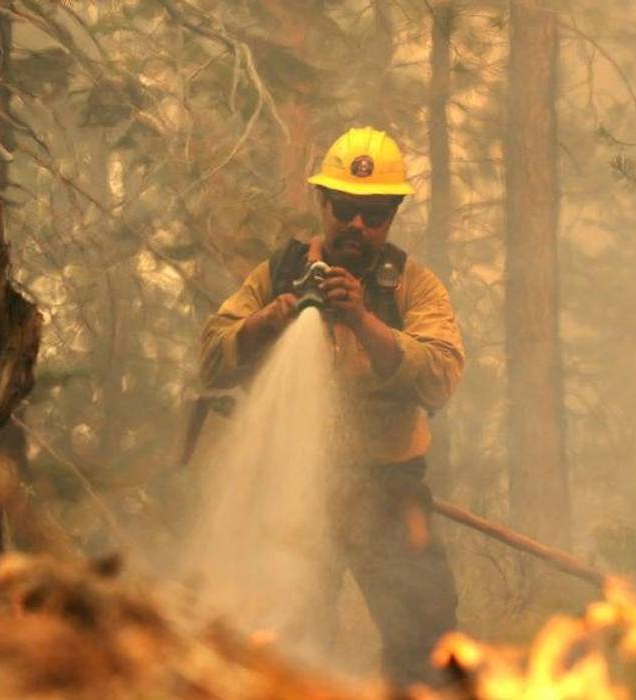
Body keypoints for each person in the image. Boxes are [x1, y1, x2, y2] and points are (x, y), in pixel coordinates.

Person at [197, 126, 464, 687]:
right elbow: (212, 355)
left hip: (389, 491)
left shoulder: (413, 287)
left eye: (374, 215)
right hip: (296, 489)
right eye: (344, 209)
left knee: (425, 640)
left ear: (391, 216)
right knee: (289, 641)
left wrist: (366, 322)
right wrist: (265, 323)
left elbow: (441, 375)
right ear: (323, 203)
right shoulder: (276, 276)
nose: (357, 227)